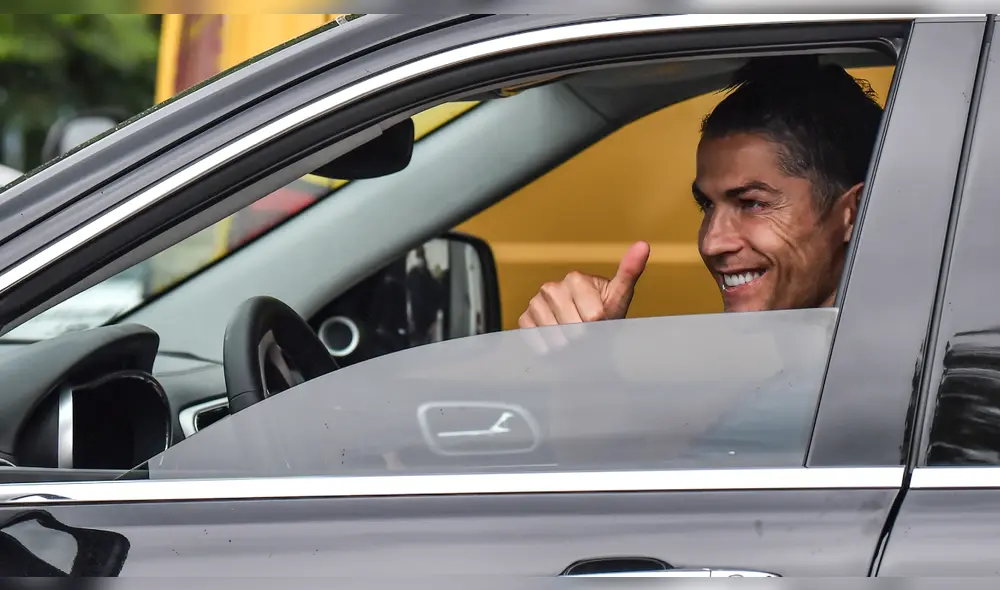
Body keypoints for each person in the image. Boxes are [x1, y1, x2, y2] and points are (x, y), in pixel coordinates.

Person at [518, 55, 885, 328]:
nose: (712, 243)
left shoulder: (883, 387)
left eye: (752, 203)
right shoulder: (831, 375)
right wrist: (587, 358)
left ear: (855, 211)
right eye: (707, 205)